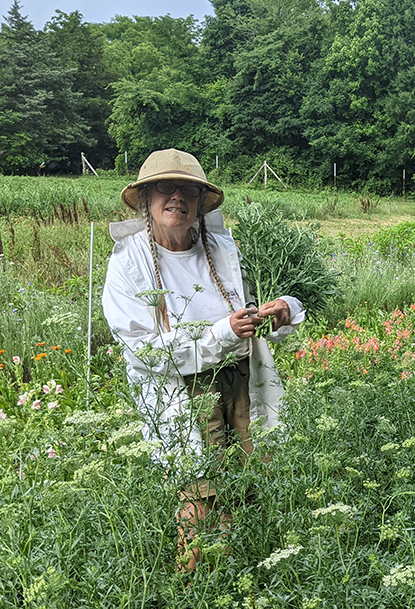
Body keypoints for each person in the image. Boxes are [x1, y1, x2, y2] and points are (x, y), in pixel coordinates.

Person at [102, 148, 305, 567]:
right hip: (186, 393)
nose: (176, 197)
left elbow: (242, 311)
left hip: (242, 379)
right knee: (201, 500)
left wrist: (279, 311)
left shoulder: (218, 247)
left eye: (188, 190)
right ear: (146, 199)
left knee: (255, 481)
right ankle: (193, 597)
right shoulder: (129, 262)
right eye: (165, 187)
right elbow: (142, 350)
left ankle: (244, 584)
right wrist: (221, 333)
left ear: (199, 201)